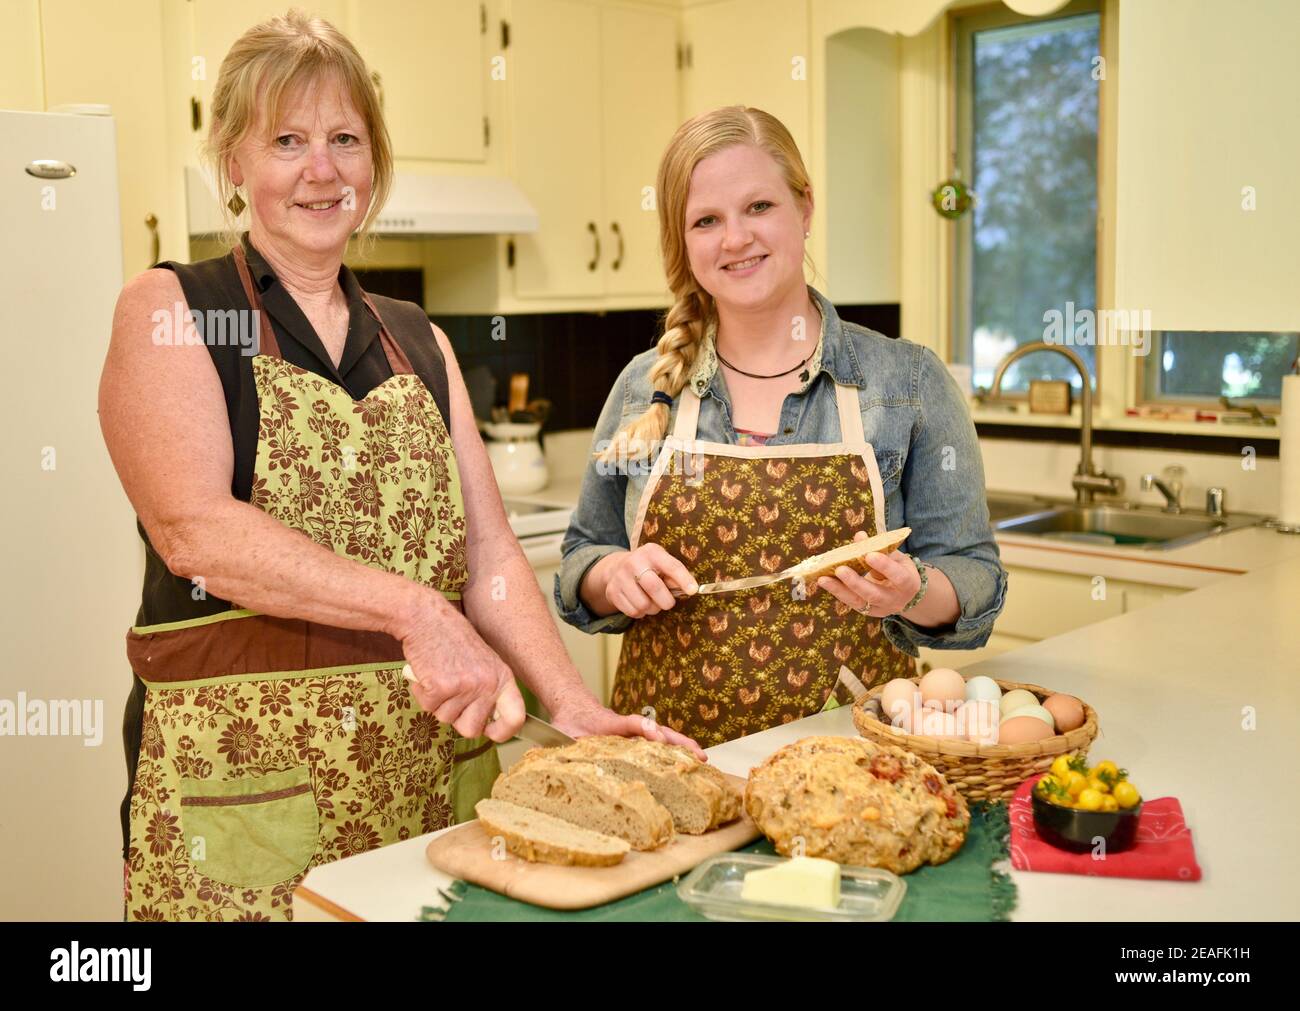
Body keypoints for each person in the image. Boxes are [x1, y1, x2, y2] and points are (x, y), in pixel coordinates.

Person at [98, 10, 699, 922]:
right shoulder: (175, 309)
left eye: (345, 139)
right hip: (245, 804)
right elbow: (196, 532)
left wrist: (570, 701)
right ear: (231, 159)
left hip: (426, 797)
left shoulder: (418, 340)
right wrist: (416, 609)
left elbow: (492, 556)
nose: (322, 169)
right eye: (288, 140)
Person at [556, 106, 1007, 748]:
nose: (734, 238)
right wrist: (612, 578)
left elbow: (975, 574)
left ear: (805, 208)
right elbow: (582, 556)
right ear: (683, 243)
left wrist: (914, 591)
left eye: (758, 207)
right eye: (706, 220)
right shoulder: (642, 387)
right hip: (671, 763)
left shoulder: (906, 383)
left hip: (852, 760)